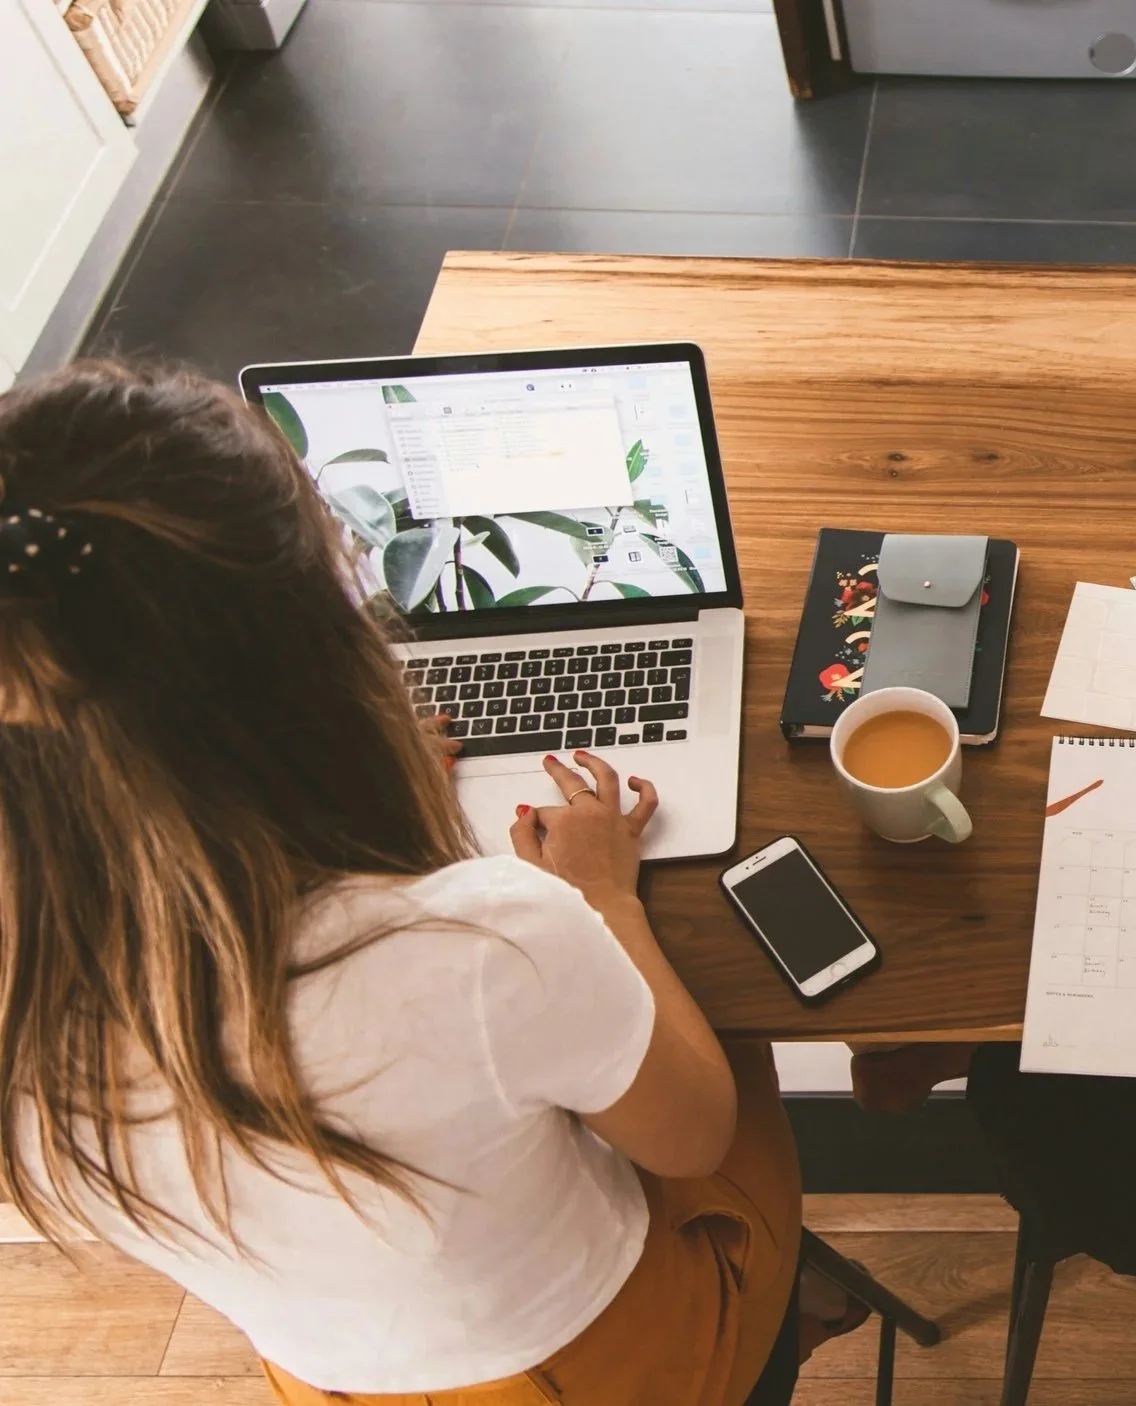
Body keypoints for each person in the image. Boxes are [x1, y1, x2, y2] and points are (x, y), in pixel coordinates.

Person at [0, 362, 857, 1404]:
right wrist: (606, 898)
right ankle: (772, 1310)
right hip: (607, 1370)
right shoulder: (488, 943)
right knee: (730, 1045)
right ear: (314, 657)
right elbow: (693, 1135)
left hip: (338, 1380)